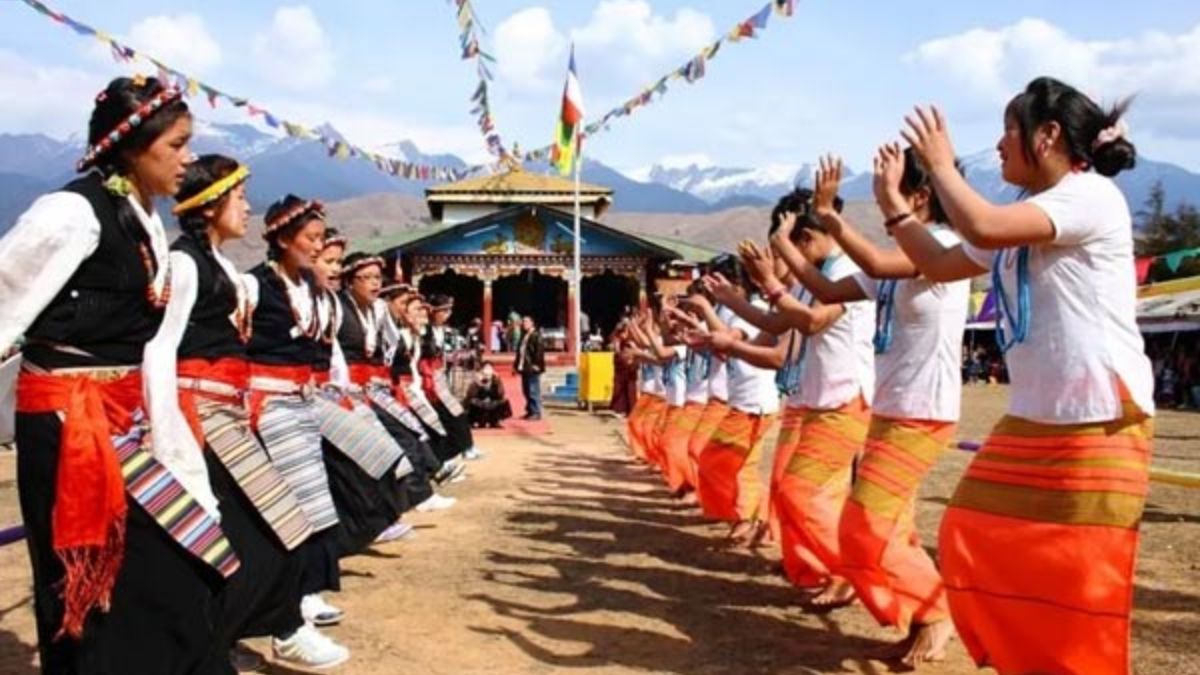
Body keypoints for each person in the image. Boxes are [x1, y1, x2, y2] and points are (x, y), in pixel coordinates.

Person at [894, 76, 1153, 675]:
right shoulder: (1022, 214)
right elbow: (935, 261)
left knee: (1080, 587)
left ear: (1048, 135)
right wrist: (890, 204)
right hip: (1037, 415)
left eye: (1010, 129)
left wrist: (938, 168)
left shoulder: (1088, 195)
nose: (1000, 143)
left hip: (1101, 415)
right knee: (970, 533)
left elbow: (978, 227)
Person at [0, 76, 239, 674]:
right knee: (84, 583)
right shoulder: (71, 214)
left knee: (179, 567)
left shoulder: (145, 219)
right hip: (65, 424)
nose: (187, 159)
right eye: (177, 145)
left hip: (118, 418)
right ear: (133, 146)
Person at [769, 151, 970, 665]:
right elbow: (823, 288)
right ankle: (915, 612)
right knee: (887, 522)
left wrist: (832, 217)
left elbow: (875, 264)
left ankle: (935, 610)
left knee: (865, 525)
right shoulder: (899, 254)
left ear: (920, 197)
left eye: (892, 190)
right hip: (890, 405)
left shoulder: (943, 245)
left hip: (924, 408)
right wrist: (777, 257)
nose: (883, 201)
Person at [737, 188, 875, 611]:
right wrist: (726, 304)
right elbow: (777, 320)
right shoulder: (823, 273)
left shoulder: (845, 269)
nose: (790, 256)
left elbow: (811, 323)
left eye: (792, 242)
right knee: (803, 491)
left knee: (800, 490)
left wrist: (770, 282)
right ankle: (829, 570)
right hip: (822, 397)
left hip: (844, 396)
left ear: (807, 236)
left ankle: (847, 572)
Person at [514, 316, 545, 420]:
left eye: (526, 321)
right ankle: (530, 410)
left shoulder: (536, 335)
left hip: (532, 366)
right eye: (523, 321)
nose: (524, 323)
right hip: (524, 366)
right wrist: (516, 366)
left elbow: (539, 351)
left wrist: (537, 364)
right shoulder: (524, 336)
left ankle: (536, 412)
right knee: (526, 390)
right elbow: (520, 353)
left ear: (532, 323)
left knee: (533, 390)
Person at [466, 361, 513, 428]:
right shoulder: (476, 380)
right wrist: (479, 384)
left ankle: (495, 421)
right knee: (472, 402)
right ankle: (477, 421)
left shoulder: (496, 380)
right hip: (480, 402)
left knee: (504, 401)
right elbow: (471, 395)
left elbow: (501, 393)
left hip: (492, 401)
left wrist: (496, 382)